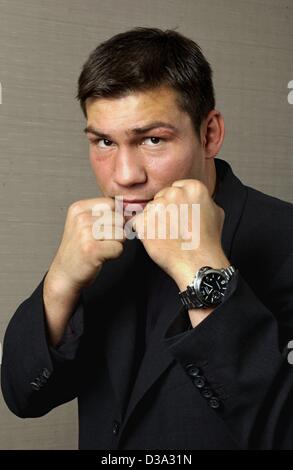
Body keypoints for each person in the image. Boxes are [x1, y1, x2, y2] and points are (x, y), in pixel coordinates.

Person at [1, 27, 293, 450]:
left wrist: (203, 276)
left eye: (152, 139)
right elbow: (23, 396)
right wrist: (60, 284)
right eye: (104, 141)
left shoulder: (285, 239)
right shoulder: (103, 240)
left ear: (209, 134)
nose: (124, 176)